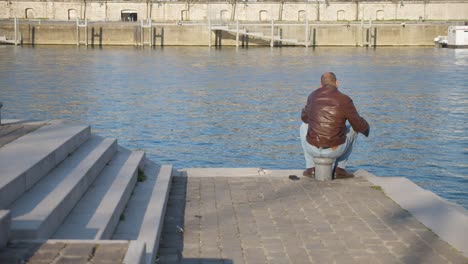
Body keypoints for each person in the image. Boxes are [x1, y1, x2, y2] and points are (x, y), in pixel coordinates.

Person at [300, 72, 370, 179]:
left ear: (321, 84)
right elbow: (358, 124)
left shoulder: (312, 96)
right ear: (337, 83)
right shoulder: (344, 99)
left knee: (303, 126)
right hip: (334, 150)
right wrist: (366, 130)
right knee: (354, 129)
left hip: (312, 147)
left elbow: (304, 118)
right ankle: (339, 169)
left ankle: (310, 168)